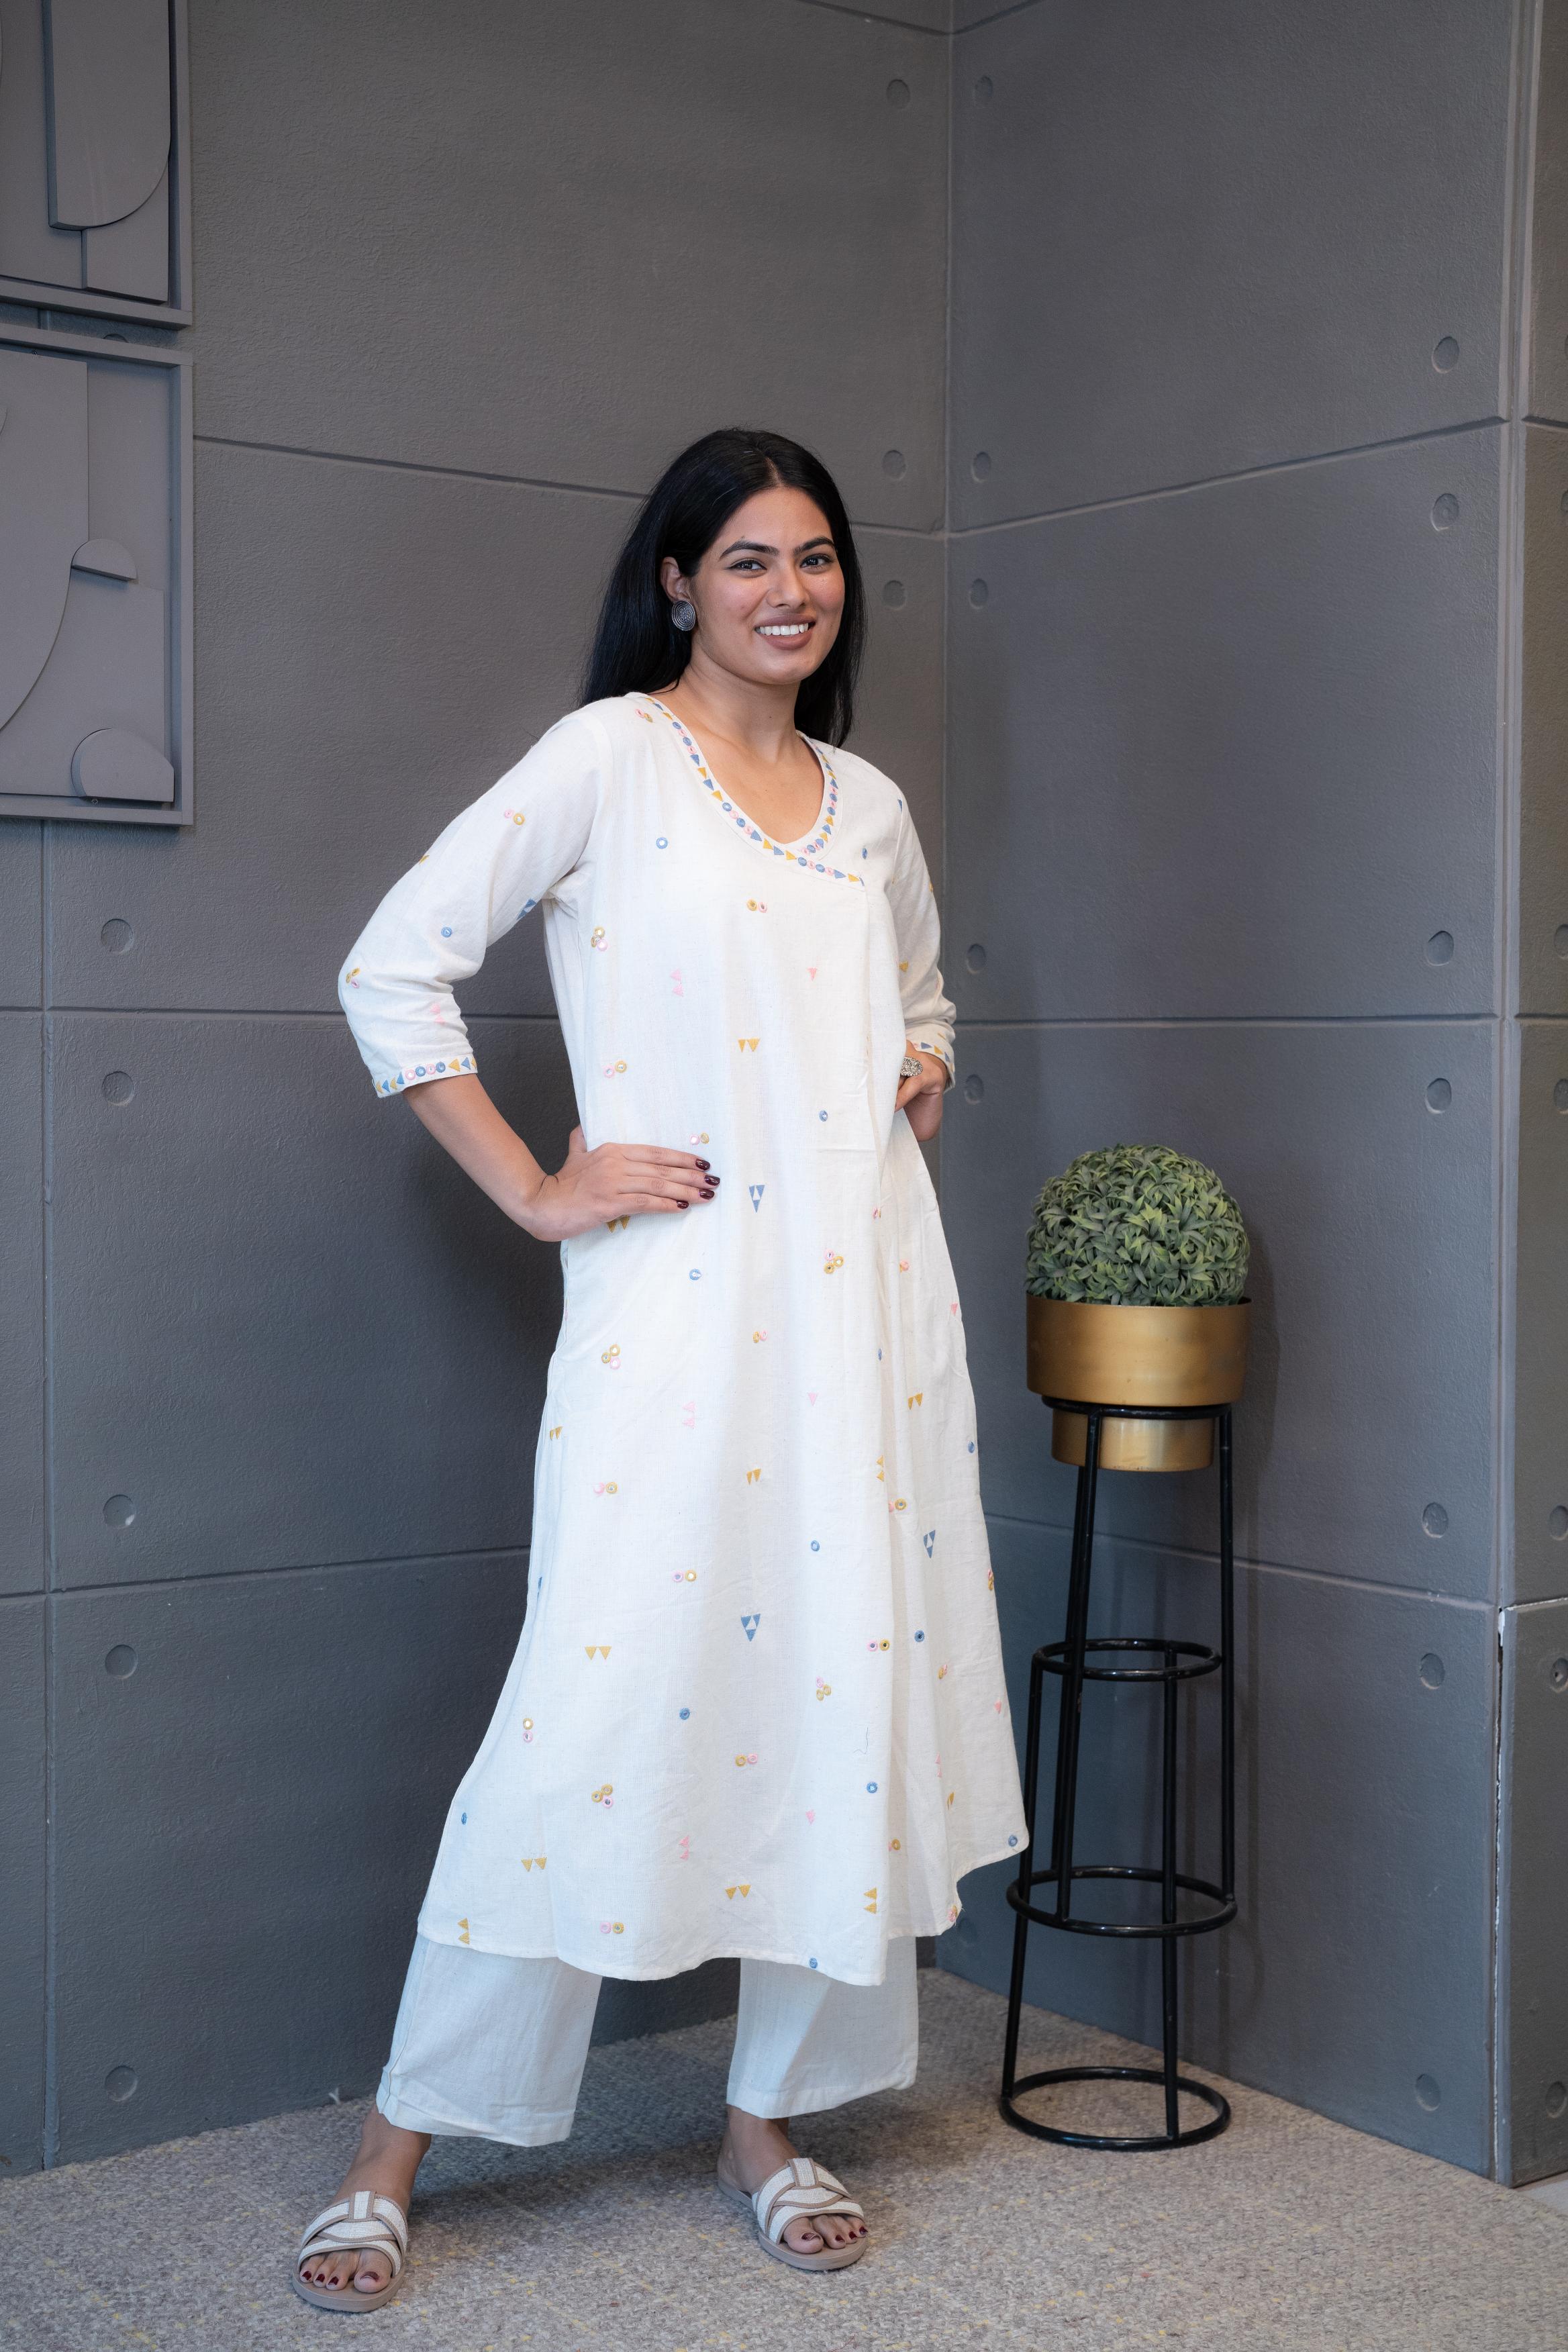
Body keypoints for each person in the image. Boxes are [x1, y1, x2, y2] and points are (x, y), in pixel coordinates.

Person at [294, 427, 1025, 2310]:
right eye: (754, 560)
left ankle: (768, 2125)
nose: (794, 591)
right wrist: (541, 1182)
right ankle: (394, 2152)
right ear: (681, 581)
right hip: (680, 1318)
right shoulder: (612, 761)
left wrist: (916, 1071)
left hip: (862, 1320)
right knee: (589, 1715)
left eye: (820, 559)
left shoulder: (864, 805)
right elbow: (397, 968)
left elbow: (926, 999)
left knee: (837, 1698)